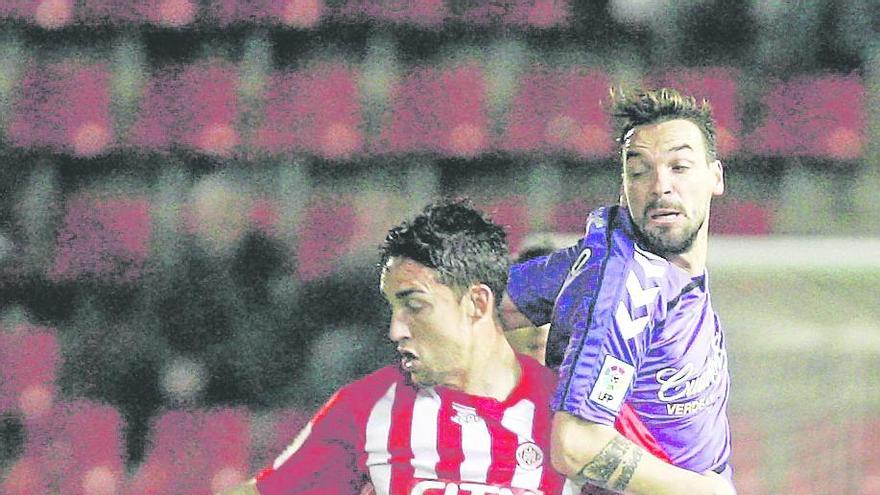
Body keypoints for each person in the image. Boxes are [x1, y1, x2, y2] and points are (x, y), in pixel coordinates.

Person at [219, 200, 578, 495]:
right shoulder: (368, 406)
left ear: (478, 304)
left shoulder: (582, 415)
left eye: (415, 306)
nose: (395, 330)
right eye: (394, 307)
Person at [501, 88, 736, 495]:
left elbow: (486, 304)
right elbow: (575, 446)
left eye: (679, 166)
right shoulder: (632, 283)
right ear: (623, 187)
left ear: (715, 176)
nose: (660, 185)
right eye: (639, 171)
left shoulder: (624, 265)